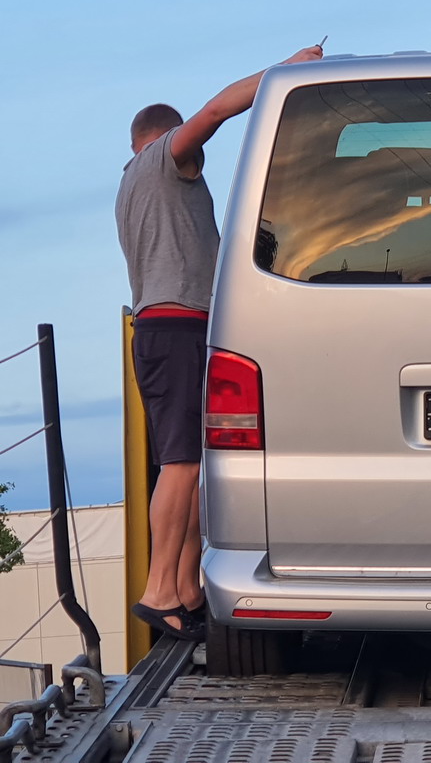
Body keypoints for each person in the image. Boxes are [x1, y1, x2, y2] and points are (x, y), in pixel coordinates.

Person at [117, 44, 323, 641]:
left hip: (173, 330)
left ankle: (185, 589)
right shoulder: (162, 160)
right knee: (180, 465)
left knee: (193, 466)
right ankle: (159, 591)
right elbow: (214, 112)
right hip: (176, 329)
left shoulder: (132, 184)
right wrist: (284, 71)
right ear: (162, 138)